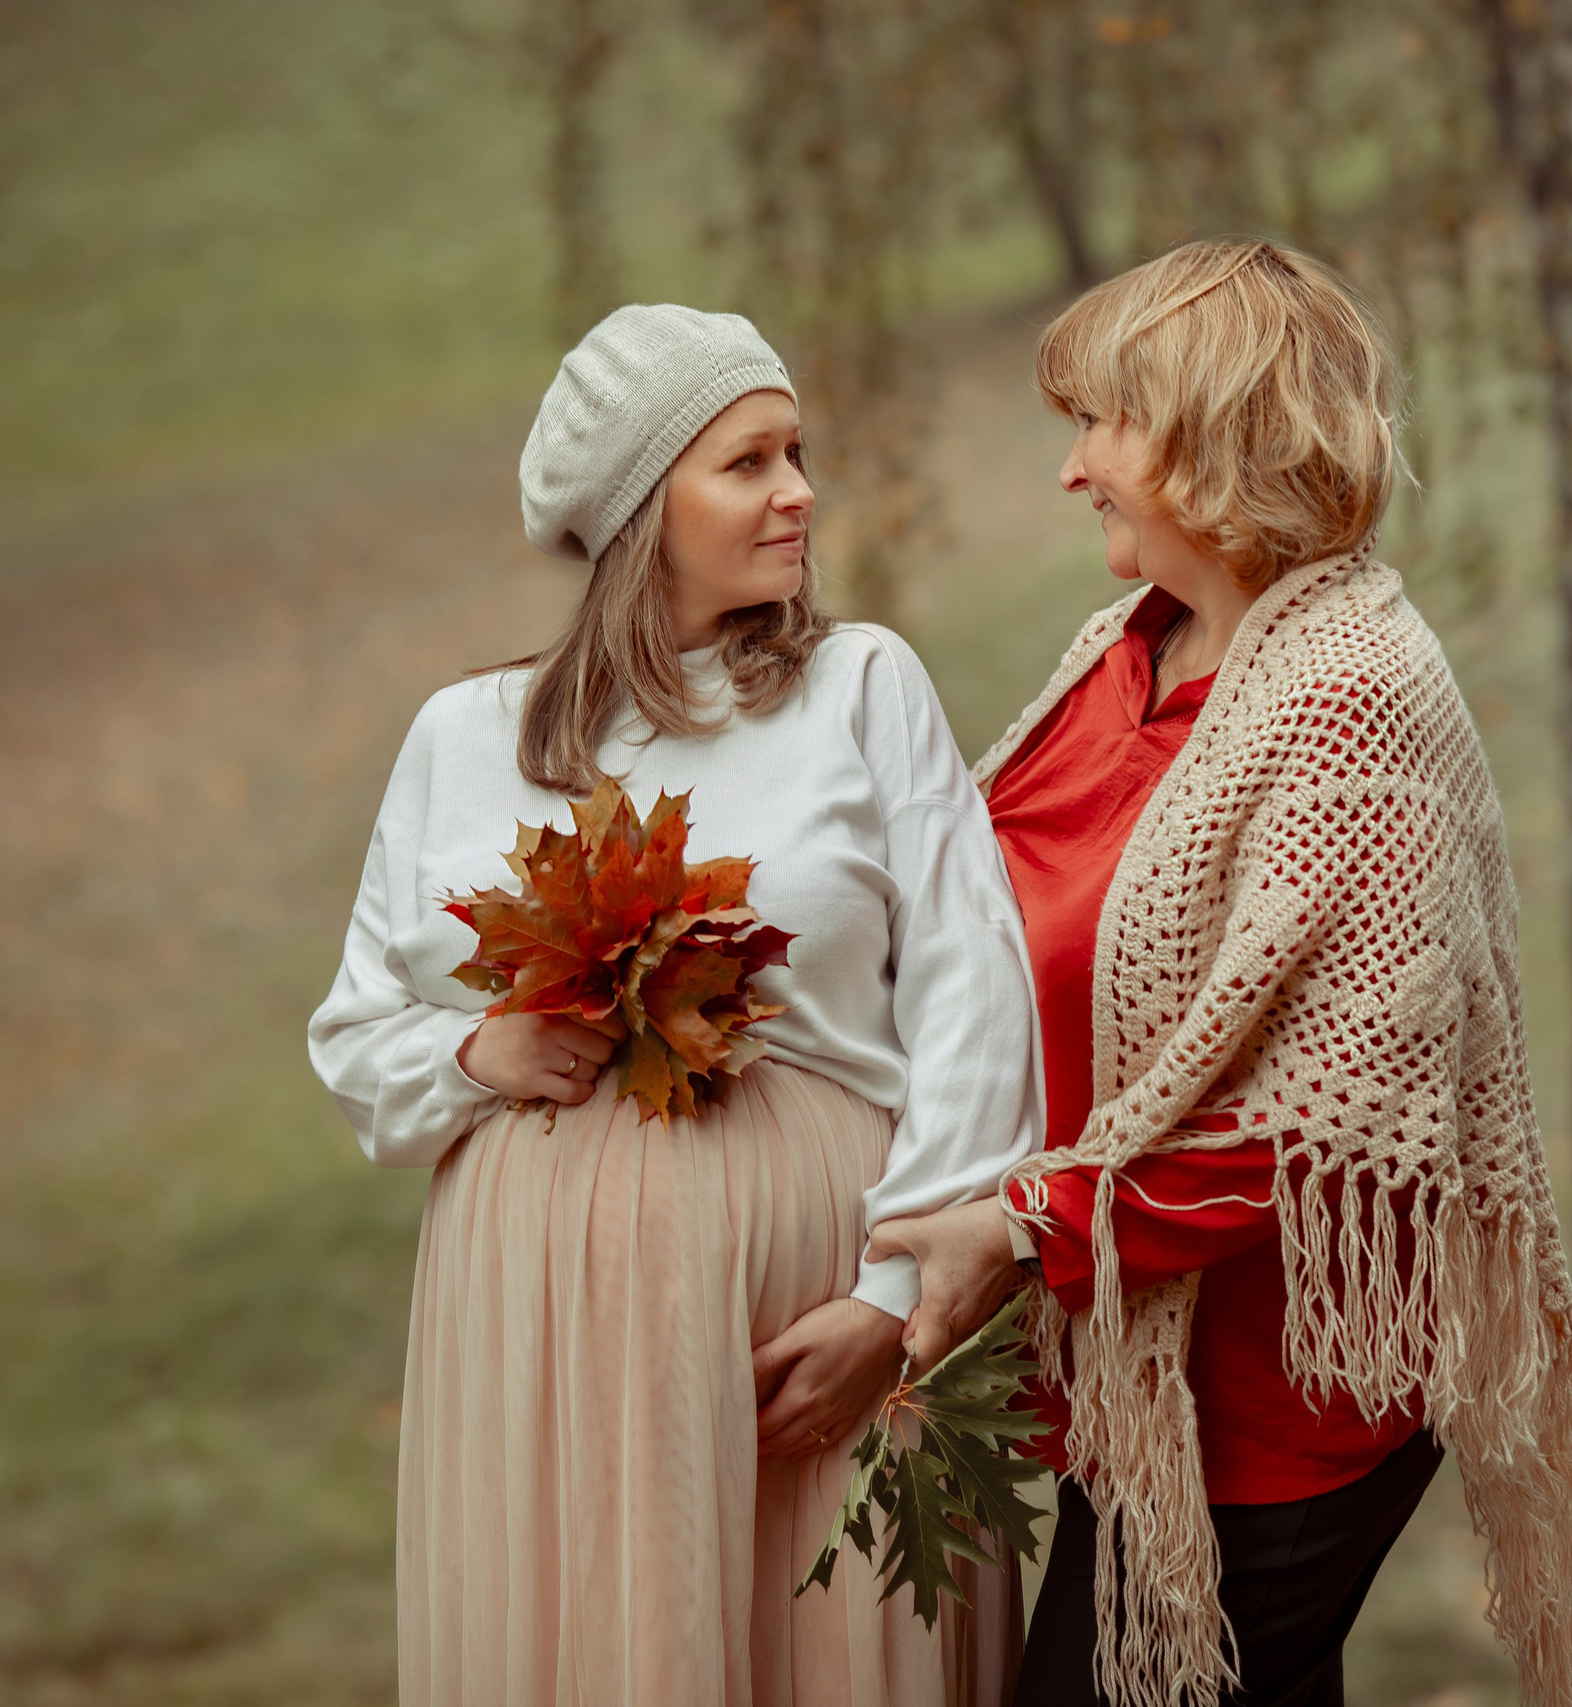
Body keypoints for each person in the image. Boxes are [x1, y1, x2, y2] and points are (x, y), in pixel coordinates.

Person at [869, 241, 1572, 1707]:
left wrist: (1021, 1228)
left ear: (1213, 434)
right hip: (1131, 1358)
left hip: (1274, 1405)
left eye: (1102, 422)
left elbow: (1320, 1121)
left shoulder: (1353, 708)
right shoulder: (1124, 648)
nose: (1070, 469)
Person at [307, 304, 1041, 1707]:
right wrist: (477, 1050)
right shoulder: (466, 736)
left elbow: (976, 998)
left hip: (818, 1322)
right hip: (544, 1332)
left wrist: (892, 1302)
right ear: (644, 507)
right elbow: (356, 1039)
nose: (798, 492)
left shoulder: (859, 687)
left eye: (797, 453)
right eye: (748, 462)